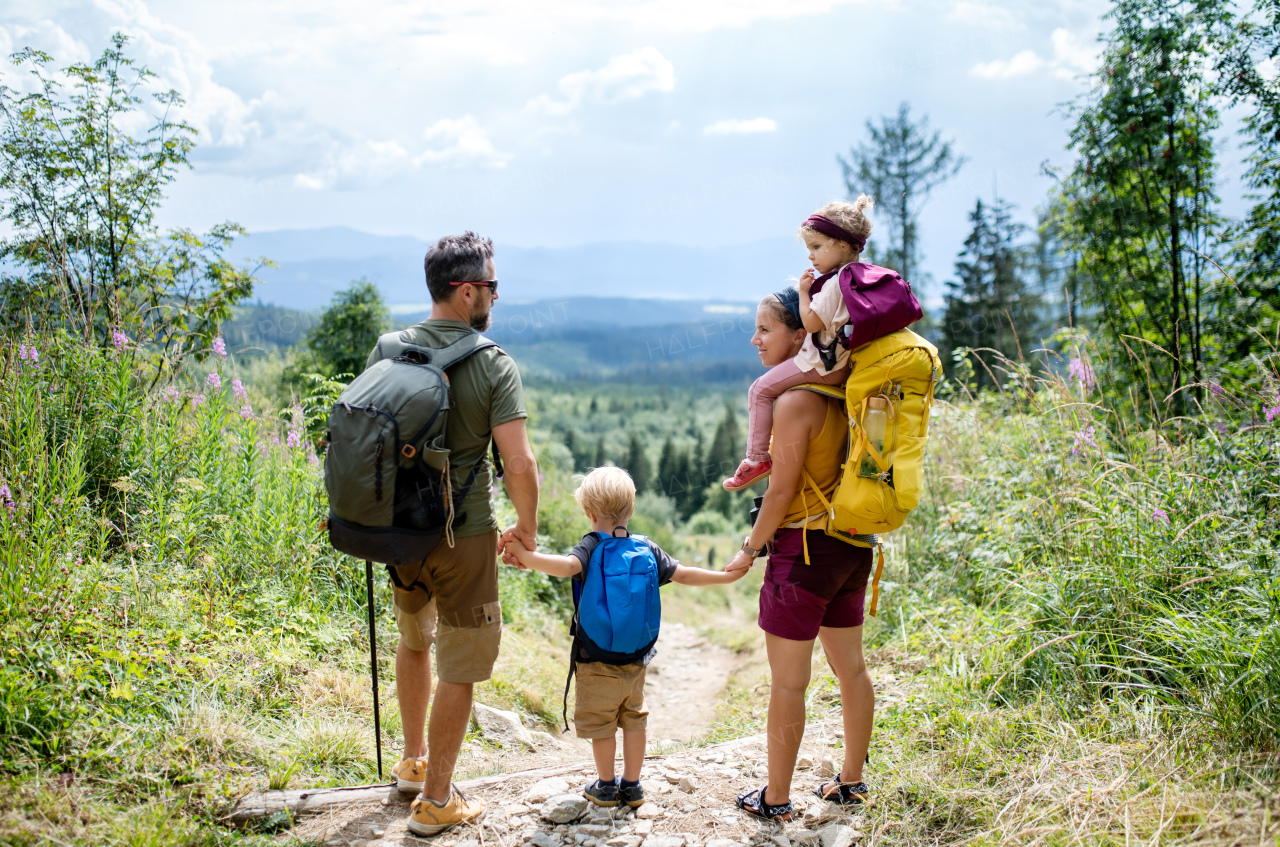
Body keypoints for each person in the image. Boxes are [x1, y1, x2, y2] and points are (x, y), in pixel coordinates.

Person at [367, 231, 540, 837]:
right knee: (460, 667)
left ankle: (413, 763)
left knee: (415, 639)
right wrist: (528, 528)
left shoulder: (388, 349)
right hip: (462, 538)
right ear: (467, 292)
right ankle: (437, 801)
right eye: (491, 285)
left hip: (396, 537)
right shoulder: (493, 364)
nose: (496, 294)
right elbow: (517, 463)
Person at [500, 466, 744, 809]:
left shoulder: (590, 545)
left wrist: (525, 556)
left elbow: (566, 567)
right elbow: (684, 574)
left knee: (601, 722)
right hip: (636, 658)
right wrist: (724, 577)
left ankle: (604, 784)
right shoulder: (645, 548)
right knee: (634, 718)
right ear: (631, 510)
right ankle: (632, 786)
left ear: (589, 513)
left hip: (595, 657)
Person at [724, 291, 877, 822]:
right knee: (851, 670)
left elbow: (781, 493)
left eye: (765, 329)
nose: (755, 339)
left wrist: (749, 551)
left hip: (804, 554)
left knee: (790, 682)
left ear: (800, 336)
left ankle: (775, 798)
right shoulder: (846, 396)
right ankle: (851, 782)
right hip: (852, 547)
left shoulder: (793, 403)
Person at [722, 197, 875, 492]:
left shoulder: (836, 282)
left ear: (843, 244)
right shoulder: (859, 278)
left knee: (759, 390)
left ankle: (756, 460)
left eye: (817, 247)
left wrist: (804, 292)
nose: (811, 256)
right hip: (841, 364)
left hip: (821, 364)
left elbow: (812, 323)